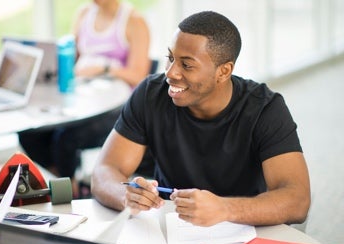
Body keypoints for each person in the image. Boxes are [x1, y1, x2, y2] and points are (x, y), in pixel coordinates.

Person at [90, 10, 311, 227]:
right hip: (170, 225)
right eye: (170, 58)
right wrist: (125, 195)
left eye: (186, 64)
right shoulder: (150, 94)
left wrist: (224, 209)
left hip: (246, 226)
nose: (170, 73)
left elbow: (297, 201)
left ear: (224, 72)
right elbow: (104, 170)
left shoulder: (265, 108)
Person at [18, 0, 151, 198]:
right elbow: (71, 58)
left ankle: (70, 190)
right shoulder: (83, 14)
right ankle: (67, 182)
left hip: (119, 107)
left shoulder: (134, 22)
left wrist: (104, 68)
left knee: (65, 138)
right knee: (30, 134)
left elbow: (139, 75)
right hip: (85, 98)